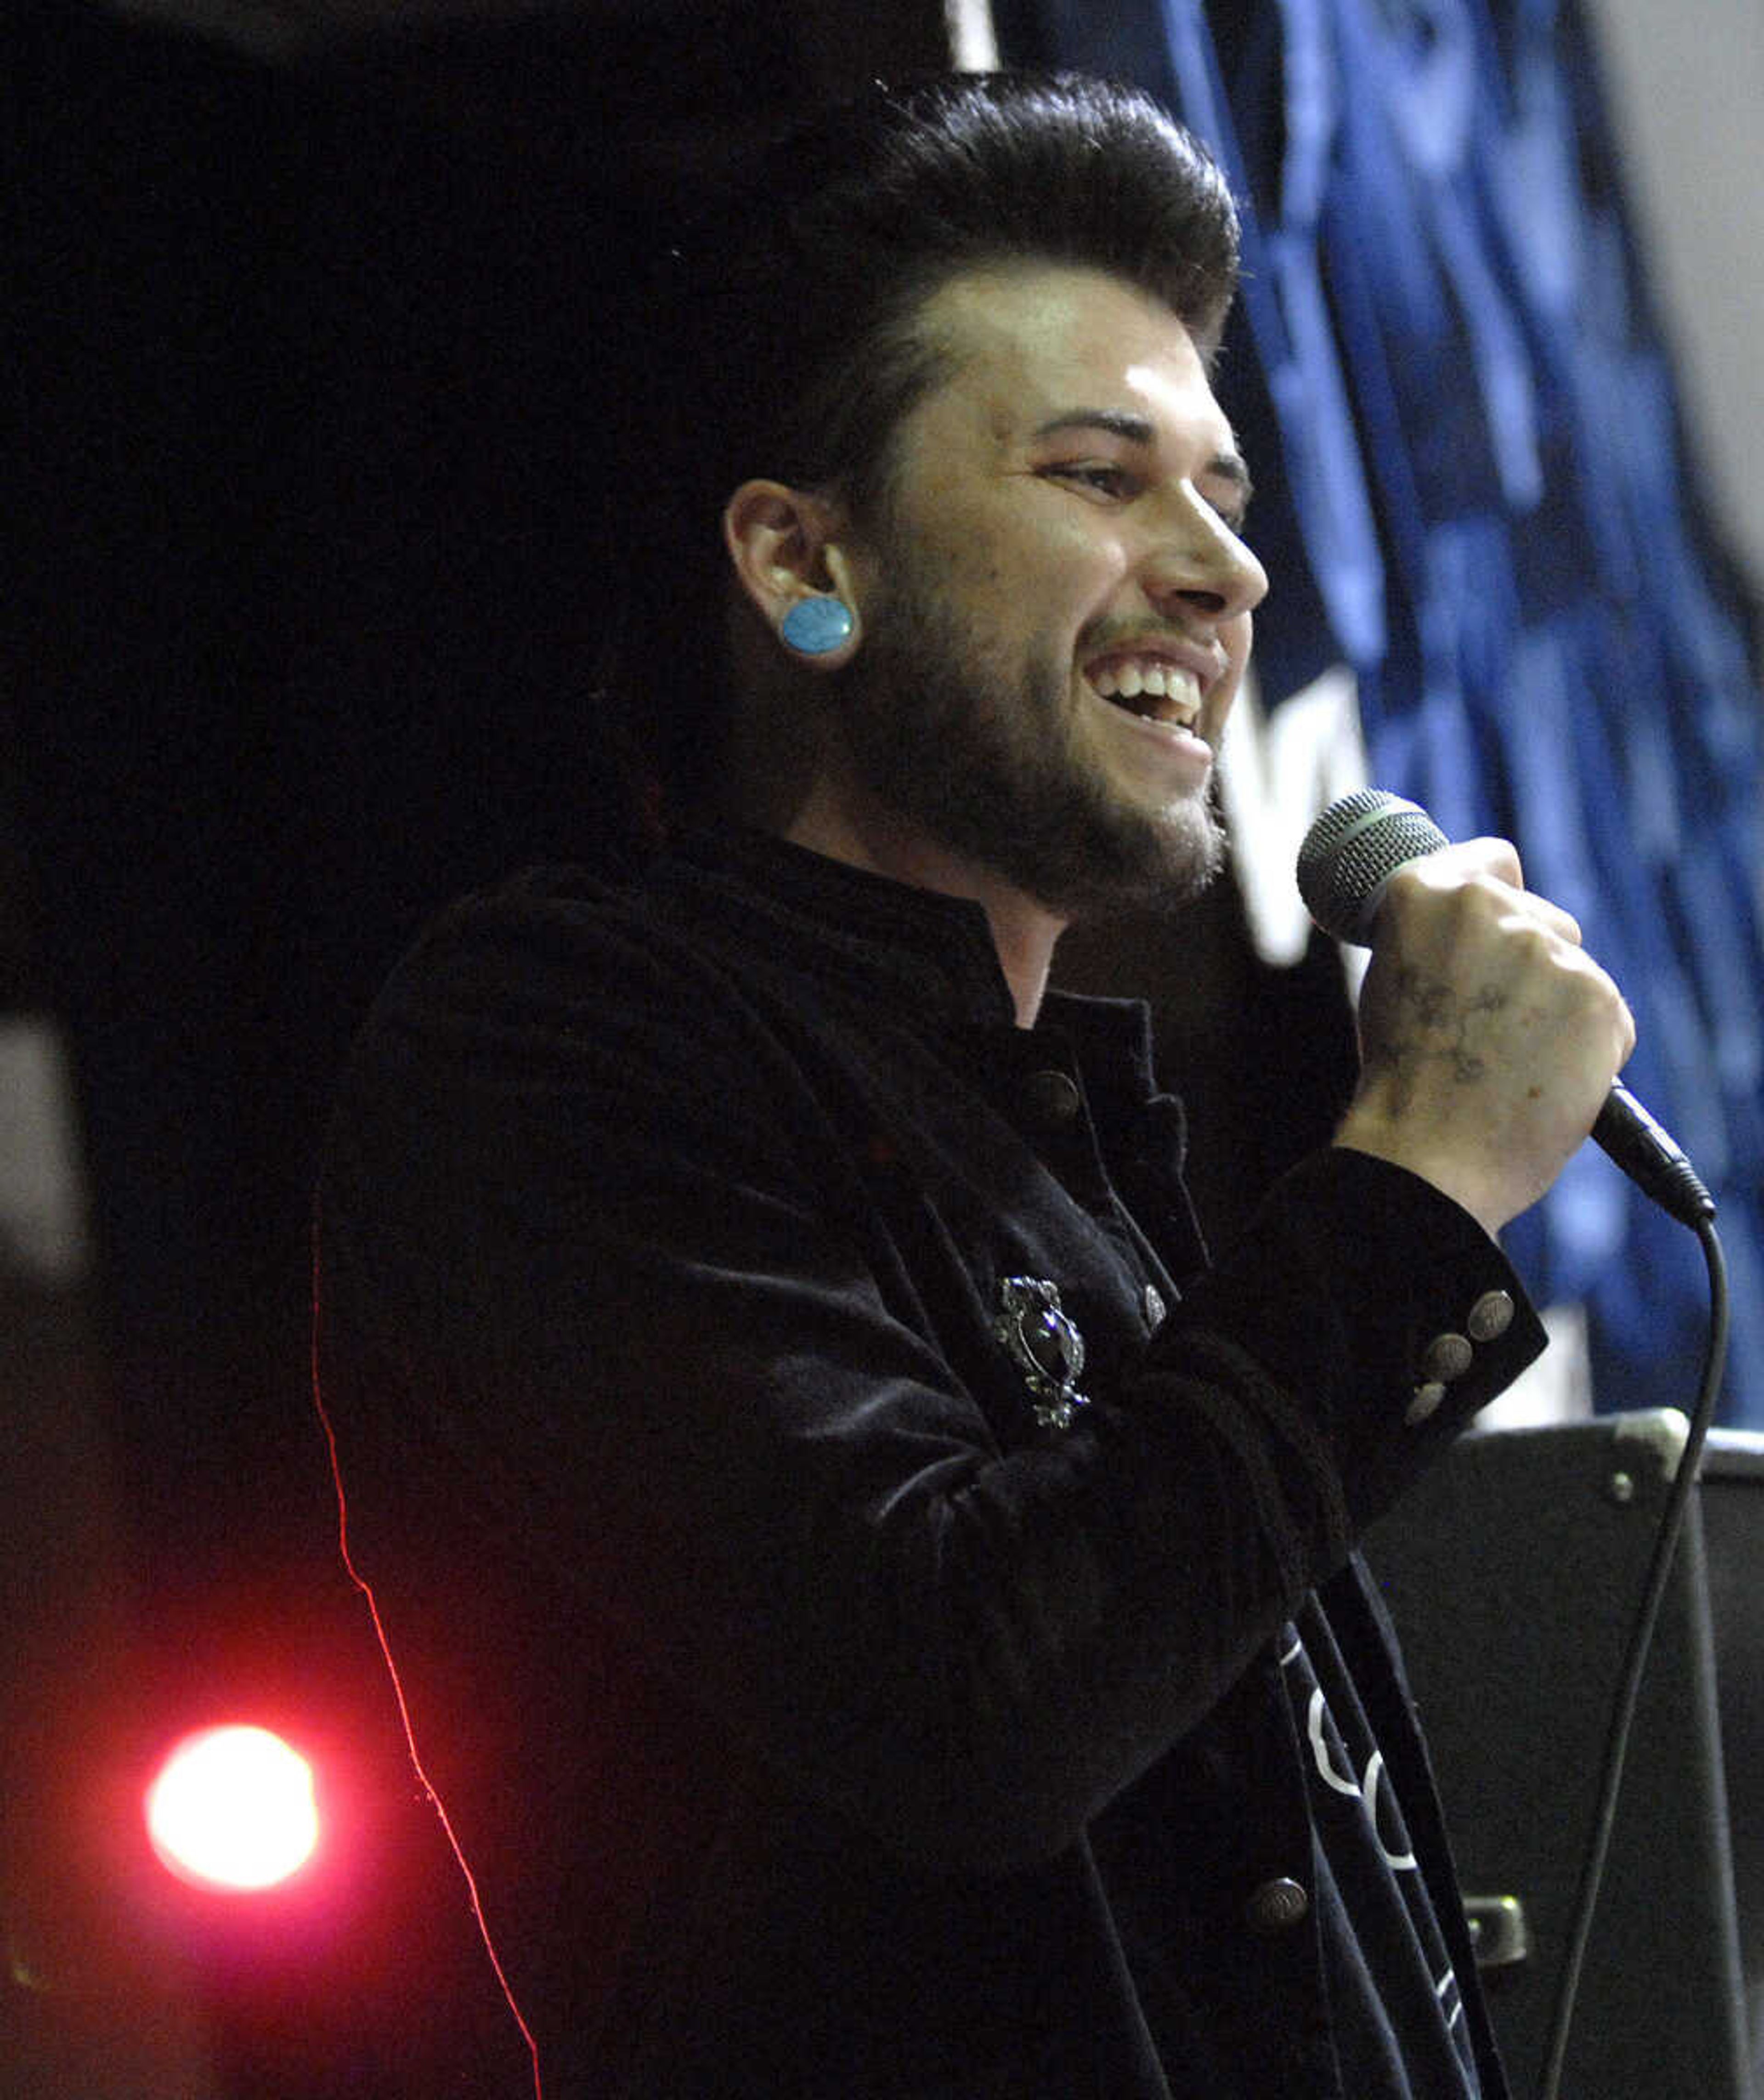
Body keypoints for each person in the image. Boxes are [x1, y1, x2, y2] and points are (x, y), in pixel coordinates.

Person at [314, 72, 1634, 2098]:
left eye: (1228, 494)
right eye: (1103, 478)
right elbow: (965, 1700)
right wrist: (1419, 1180)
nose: (1225, 574)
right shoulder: (554, 1041)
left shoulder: (1066, 1157)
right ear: (799, 564)